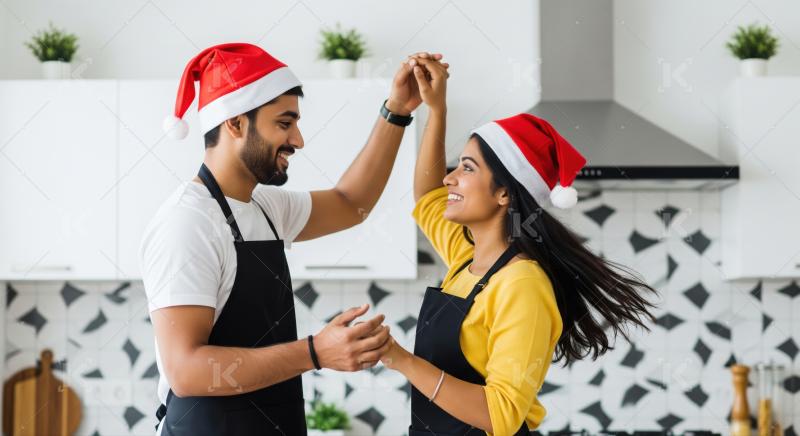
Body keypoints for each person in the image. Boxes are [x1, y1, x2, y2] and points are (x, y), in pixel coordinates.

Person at [139, 43, 448, 436]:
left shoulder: (264, 208)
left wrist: (398, 110)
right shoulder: (188, 223)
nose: (298, 140)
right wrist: (316, 352)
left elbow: (351, 203)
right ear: (235, 123)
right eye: (284, 124)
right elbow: (186, 370)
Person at [379, 56, 658, 435]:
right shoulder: (467, 261)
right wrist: (436, 109)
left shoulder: (521, 284)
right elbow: (428, 195)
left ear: (504, 193)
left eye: (467, 168)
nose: (450, 179)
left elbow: (501, 414)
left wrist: (401, 360)